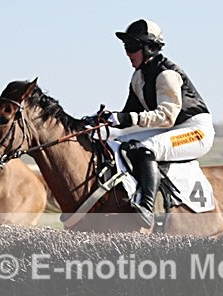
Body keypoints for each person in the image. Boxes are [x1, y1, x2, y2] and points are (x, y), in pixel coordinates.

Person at [92, 19, 215, 228]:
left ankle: (147, 207)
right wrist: (99, 120)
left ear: (149, 47)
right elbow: (128, 114)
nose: (127, 53)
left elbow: (167, 117)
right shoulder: (138, 77)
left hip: (195, 131)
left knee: (146, 148)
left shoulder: (167, 74)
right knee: (119, 143)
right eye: (125, 47)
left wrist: (126, 119)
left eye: (131, 47)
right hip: (172, 129)